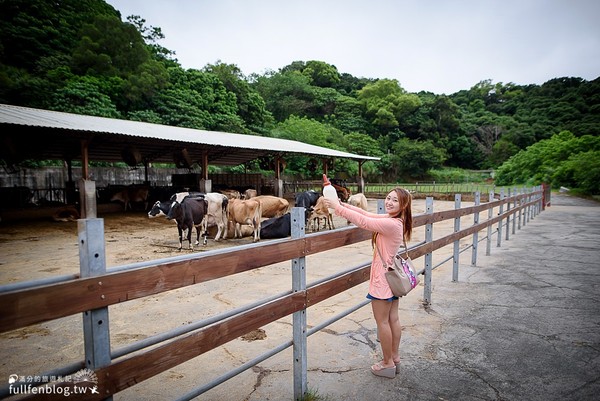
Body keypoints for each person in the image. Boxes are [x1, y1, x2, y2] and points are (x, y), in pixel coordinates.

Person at [323, 188, 413, 379]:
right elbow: (365, 213)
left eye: (394, 200)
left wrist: (337, 209)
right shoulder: (396, 221)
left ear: (403, 205)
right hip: (392, 278)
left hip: (383, 280)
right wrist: (341, 204)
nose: (389, 202)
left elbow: (364, 222)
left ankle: (387, 363)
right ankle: (395, 359)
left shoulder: (391, 224)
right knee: (392, 319)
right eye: (388, 198)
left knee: (382, 321)